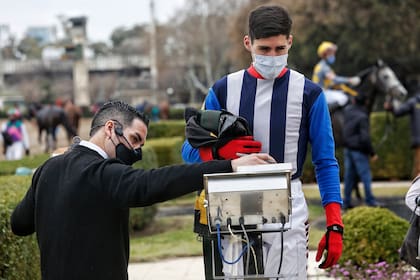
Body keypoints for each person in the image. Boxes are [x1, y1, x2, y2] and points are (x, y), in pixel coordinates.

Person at [10, 100, 274, 280]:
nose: (136, 152)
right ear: (110, 128)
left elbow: (19, 223)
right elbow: (152, 183)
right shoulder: (101, 173)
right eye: (135, 140)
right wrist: (229, 165)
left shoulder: (48, 169)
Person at [181, 5, 343, 279]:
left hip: (288, 203)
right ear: (248, 43)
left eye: (280, 49)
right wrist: (221, 151)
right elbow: (188, 152)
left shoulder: (309, 93)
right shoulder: (223, 89)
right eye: (264, 49)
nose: (272, 56)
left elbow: (325, 162)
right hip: (233, 202)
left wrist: (334, 223)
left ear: (290, 41)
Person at [342, 96, 380, 209]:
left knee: (349, 177)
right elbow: (365, 138)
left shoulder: (347, 112)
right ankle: (370, 200)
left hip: (348, 149)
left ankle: (346, 201)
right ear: (365, 102)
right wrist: (372, 153)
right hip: (359, 150)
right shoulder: (363, 116)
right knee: (366, 176)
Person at [312, 41, 361, 109]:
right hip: (321, 94)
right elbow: (335, 79)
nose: (333, 55)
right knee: (343, 98)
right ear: (324, 54)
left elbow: (332, 83)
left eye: (333, 53)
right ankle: (328, 117)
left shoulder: (323, 65)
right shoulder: (323, 67)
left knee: (342, 94)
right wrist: (350, 80)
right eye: (331, 53)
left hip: (321, 93)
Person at [384, 93, 420, 179]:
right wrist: (391, 107)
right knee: (419, 167)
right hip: (419, 141)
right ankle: (415, 190)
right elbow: (398, 112)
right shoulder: (414, 102)